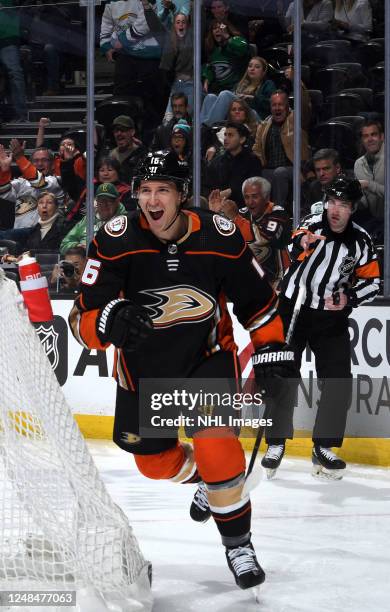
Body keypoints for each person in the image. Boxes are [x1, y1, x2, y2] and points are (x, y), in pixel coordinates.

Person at [68, 150, 297, 590]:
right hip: (142, 369)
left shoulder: (221, 235)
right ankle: (208, 482)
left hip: (204, 358)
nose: (153, 200)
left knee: (215, 444)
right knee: (154, 463)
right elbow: (82, 317)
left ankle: (238, 544)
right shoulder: (115, 240)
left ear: (182, 195)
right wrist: (104, 322)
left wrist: (272, 350)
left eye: (163, 190)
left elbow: (259, 303)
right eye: (145, 190)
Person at [263, 177, 380, 479]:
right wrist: (301, 243)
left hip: (330, 317)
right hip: (294, 307)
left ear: (352, 209)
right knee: (284, 374)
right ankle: (275, 442)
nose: (335, 210)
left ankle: (324, 446)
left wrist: (349, 298)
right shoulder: (313, 223)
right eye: (332, 202)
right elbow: (292, 241)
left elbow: (373, 282)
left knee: (339, 379)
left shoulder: (362, 242)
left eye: (343, 205)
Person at [253, 89, 310, 213]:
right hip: (270, 168)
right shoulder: (264, 125)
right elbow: (256, 149)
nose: (277, 108)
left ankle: (279, 212)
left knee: (280, 172)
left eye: (280, 104)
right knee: (257, 177)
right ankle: (259, 215)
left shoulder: (296, 119)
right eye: (274, 105)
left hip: (295, 168)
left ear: (287, 106)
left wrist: (297, 80)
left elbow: (305, 106)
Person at [200, 56, 276, 127]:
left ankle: (207, 126)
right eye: (250, 66)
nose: (252, 69)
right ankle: (198, 127)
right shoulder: (241, 84)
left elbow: (271, 104)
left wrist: (252, 98)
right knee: (210, 97)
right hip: (238, 111)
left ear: (263, 72)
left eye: (257, 67)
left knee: (225, 94)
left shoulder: (268, 84)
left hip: (257, 117)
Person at [204, 122, 262, 207]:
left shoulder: (252, 160)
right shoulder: (217, 161)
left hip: (244, 207)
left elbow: (253, 187)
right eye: (225, 135)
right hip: (217, 205)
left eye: (230, 135)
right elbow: (208, 185)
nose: (226, 139)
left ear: (242, 139)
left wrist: (231, 191)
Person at [60, 183, 126, 254]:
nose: (104, 205)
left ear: (117, 202)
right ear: (96, 202)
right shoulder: (88, 219)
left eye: (109, 201)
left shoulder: (125, 222)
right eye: (101, 201)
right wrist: (79, 247)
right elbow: (64, 245)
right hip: (83, 260)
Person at [353, 120, 384, 243]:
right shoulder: (359, 164)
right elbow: (364, 202)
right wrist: (353, 200)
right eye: (366, 136)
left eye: (373, 134)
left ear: (382, 137)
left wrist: (368, 184)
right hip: (375, 221)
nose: (370, 139)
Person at [301, 148, 343, 216]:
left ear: (337, 168)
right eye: (318, 170)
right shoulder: (314, 187)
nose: (321, 174)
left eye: (326, 169)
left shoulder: (348, 185)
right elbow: (306, 214)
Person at [109, 115, 147, 184]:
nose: (119, 133)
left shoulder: (141, 154)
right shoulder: (110, 155)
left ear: (132, 132)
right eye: (116, 130)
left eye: (123, 130)